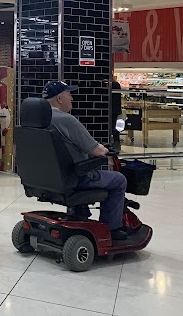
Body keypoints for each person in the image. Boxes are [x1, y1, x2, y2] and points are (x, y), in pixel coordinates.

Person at [43, 80, 129, 240]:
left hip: (46, 178)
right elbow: (95, 150)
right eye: (69, 94)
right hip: (74, 178)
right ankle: (112, 228)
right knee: (119, 180)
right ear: (60, 98)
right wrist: (105, 150)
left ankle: (80, 213)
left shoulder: (38, 119)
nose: (72, 98)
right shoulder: (66, 120)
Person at [110, 74, 123, 152]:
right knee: (114, 125)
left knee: (113, 125)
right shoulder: (116, 84)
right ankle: (116, 140)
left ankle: (115, 141)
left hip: (112, 109)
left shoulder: (113, 85)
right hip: (116, 109)